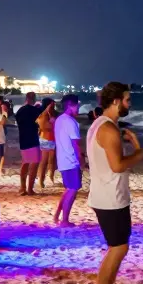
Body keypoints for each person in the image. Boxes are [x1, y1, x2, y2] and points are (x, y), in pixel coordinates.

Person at [87, 82, 143, 284]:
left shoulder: (100, 124)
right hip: (109, 197)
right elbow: (118, 165)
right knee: (118, 248)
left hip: (109, 194)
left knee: (118, 246)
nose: (130, 104)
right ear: (116, 101)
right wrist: (139, 153)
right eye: (127, 100)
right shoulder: (108, 129)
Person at [51, 94, 83, 227]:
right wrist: (81, 160)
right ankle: (64, 220)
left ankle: (57, 216)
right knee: (72, 189)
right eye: (77, 105)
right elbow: (76, 144)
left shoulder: (59, 120)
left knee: (68, 189)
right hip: (71, 160)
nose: (78, 107)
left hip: (63, 160)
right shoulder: (71, 122)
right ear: (70, 105)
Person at [14, 92, 43, 196]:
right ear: (34, 99)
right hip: (33, 139)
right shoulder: (35, 110)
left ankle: (22, 188)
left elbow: (18, 123)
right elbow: (41, 121)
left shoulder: (20, 110)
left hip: (23, 139)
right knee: (34, 164)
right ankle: (30, 189)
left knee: (25, 163)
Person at [37, 98, 57, 189]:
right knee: (44, 161)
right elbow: (42, 125)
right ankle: (41, 179)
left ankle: (51, 177)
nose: (54, 105)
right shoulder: (43, 114)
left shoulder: (53, 112)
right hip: (45, 138)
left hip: (52, 138)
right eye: (52, 104)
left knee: (52, 160)